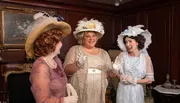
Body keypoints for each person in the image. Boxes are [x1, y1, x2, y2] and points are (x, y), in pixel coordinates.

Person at [25, 12, 78, 103]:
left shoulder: (56, 60)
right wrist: (64, 100)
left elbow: (61, 78)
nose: (61, 44)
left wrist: (67, 85)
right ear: (50, 44)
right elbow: (42, 101)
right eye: (59, 41)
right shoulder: (41, 68)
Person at [63, 18, 112, 103]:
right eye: (88, 36)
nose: (91, 38)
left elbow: (109, 74)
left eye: (93, 36)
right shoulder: (75, 49)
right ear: (82, 37)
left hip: (97, 89)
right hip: (79, 88)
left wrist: (114, 71)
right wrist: (77, 64)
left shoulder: (104, 53)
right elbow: (66, 70)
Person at [112, 25, 154, 103]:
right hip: (123, 89)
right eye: (126, 42)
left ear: (137, 42)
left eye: (130, 41)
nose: (127, 44)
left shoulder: (146, 58)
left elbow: (149, 80)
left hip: (137, 91)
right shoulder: (122, 55)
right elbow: (115, 71)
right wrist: (121, 76)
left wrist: (134, 80)